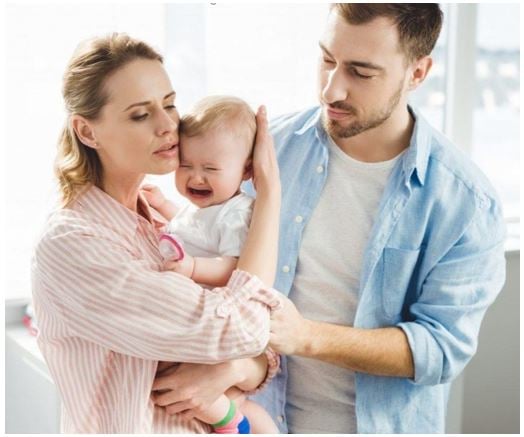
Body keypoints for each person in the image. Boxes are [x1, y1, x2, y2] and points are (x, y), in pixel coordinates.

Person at [243, 3, 505, 433]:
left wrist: (305, 335)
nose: (331, 90)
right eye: (327, 59)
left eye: (361, 73)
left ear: (417, 73)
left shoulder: (467, 203)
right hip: (257, 420)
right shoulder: (267, 150)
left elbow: (440, 348)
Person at [30, 33, 282, 433]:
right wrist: (269, 196)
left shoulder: (167, 226)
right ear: (88, 132)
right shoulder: (74, 246)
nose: (169, 126)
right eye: (140, 115)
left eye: (169, 104)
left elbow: (266, 350)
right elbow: (246, 329)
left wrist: (231, 367)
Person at [141, 95, 278, 433]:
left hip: (216, 322)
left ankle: (231, 422)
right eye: (186, 165)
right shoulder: (200, 207)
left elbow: (234, 267)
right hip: (194, 318)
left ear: (246, 170)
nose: (196, 178)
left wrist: (192, 269)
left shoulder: (236, 213)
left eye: (211, 169)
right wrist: (163, 206)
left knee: (187, 383)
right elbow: (194, 232)